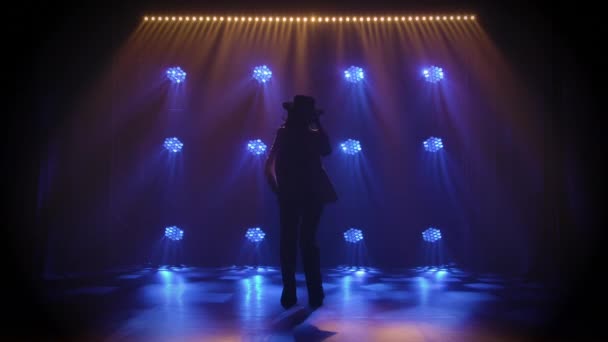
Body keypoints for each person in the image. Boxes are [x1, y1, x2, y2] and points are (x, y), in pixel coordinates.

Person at [265, 95, 338, 309]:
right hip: (295, 192)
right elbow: (270, 164)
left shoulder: (308, 135)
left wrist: (276, 188)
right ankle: (304, 292)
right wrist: (276, 188)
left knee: (300, 241)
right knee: (302, 241)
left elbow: (326, 150)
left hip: (307, 193)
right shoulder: (286, 133)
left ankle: (303, 292)